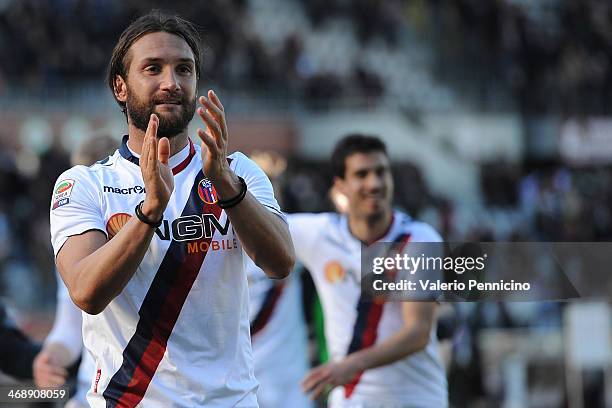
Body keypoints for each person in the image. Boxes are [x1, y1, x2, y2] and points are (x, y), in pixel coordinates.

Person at [50, 11, 295, 408]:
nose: (172, 83)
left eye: (184, 69)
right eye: (153, 69)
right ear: (120, 86)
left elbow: (281, 263)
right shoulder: (83, 184)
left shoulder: (237, 171)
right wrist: (151, 211)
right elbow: (85, 292)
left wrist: (228, 188)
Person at [290, 135, 448, 407]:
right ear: (340, 185)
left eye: (381, 172)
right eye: (361, 174)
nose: (374, 183)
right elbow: (262, 226)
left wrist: (350, 365)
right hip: (352, 399)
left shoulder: (420, 239)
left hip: (415, 398)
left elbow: (418, 331)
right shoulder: (319, 234)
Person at [34, 135, 118, 408]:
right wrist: (51, 356)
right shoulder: (73, 243)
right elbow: (70, 330)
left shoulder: (157, 232)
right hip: (91, 394)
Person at [247, 151, 312, 408]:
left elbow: (355, 238)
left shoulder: (293, 232)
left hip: (286, 386)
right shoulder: (214, 236)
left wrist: (438, 283)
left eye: (272, 184)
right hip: (229, 384)